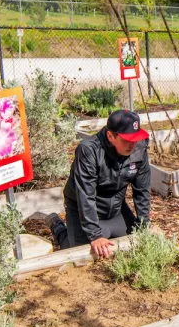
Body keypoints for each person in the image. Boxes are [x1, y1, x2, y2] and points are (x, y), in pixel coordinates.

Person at [48, 109, 152, 258]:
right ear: (110, 136)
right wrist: (95, 235)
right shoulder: (89, 150)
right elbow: (85, 195)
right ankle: (58, 227)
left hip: (115, 207)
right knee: (79, 252)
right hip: (82, 208)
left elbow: (142, 190)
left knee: (136, 240)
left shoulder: (139, 149)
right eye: (126, 140)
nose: (132, 145)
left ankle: (106, 229)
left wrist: (143, 225)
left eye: (135, 139)